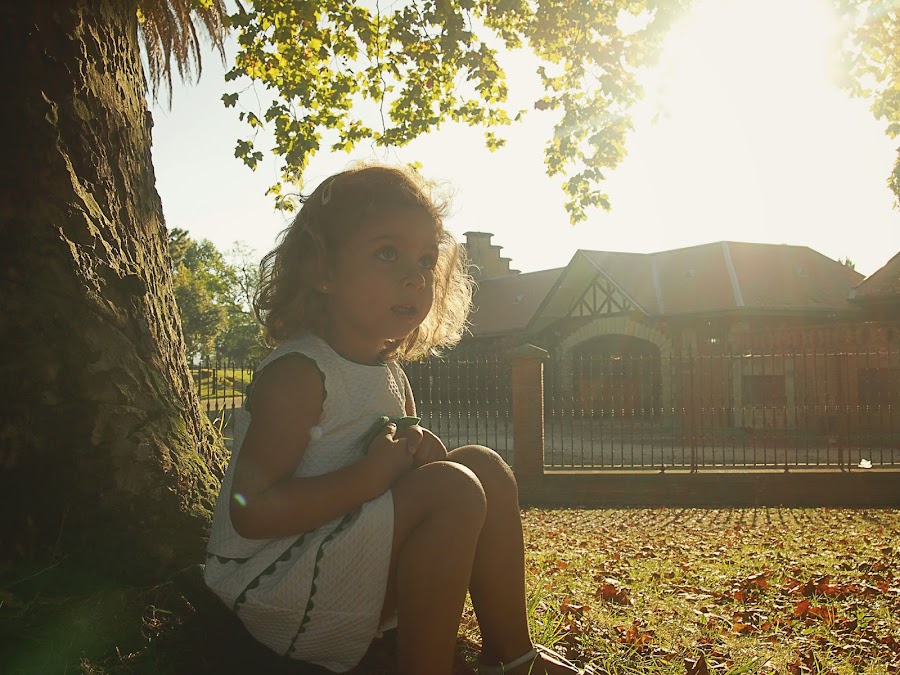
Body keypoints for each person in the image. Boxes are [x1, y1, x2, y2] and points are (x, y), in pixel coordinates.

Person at [204, 165, 585, 675]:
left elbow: (393, 478)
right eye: (387, 253)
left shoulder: (386, 370)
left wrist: (412, 457)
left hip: (345, 558)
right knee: (453, 486)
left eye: (426, 259)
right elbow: (251, 514)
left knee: (483, 467)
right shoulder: (299, 373)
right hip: (278, 586)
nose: (415, 275)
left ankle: (513, 657)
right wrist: (372, 476)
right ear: (323, 270)